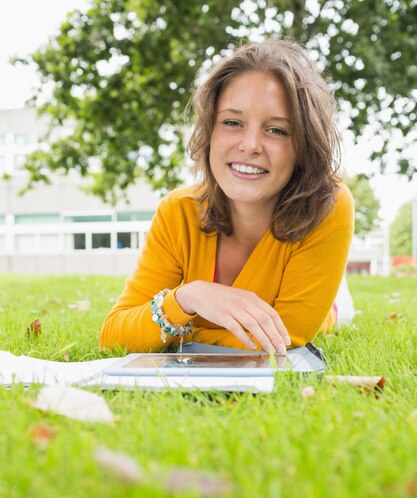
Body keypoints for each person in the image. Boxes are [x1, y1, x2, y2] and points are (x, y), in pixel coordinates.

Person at [99, 39, 354, 355]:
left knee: (332, 313)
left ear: (302, 146)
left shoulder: (327, 203)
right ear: (210, 131)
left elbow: (285, 338)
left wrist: (176, 337)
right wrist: (187, 298)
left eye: (276, 130)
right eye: (233, 122)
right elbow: (113, 334)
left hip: (324, 297)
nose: (250, 145)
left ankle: (338, 300)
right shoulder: (178, 212)